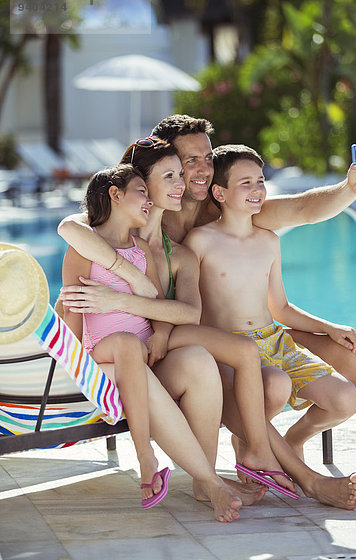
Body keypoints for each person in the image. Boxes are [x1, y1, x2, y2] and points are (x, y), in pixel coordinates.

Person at [60, 139, 356, 511]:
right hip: (121, 351)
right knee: (218, 361)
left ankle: (244, 460)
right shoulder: (107, 242)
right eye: (170, 176)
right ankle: (294, 475)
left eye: (181, 175)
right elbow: (70, 231)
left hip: (165, 343)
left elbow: (177, 310)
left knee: (234, 356)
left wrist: (144, 314)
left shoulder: (174, 250)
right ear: (135, 187)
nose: (182, 183)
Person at [61, 162, 251, 520]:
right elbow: (73, 317)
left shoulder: (141, 252)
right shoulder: (82, 250)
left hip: (145, 359)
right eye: (141, 192)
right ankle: (171, 467)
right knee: (127, 345)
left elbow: (158, 311)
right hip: (104, 358)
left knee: (197, 359)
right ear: (115, 195)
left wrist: (160, 338)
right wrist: (71, 373)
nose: (148, 201)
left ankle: (202, 474)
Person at [184, 145, 356, 463]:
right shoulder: (200, 241)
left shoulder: (269, 241)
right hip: (230, 348)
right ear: (220, 193)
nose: (257, 190)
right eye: (245, 183)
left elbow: (280, 308)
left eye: (260, 180)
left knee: (345, 398)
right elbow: (192, 311)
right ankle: (249, 450)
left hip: (275, 340)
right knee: (276, 386)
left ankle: (291, 441)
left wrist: (330, 328)